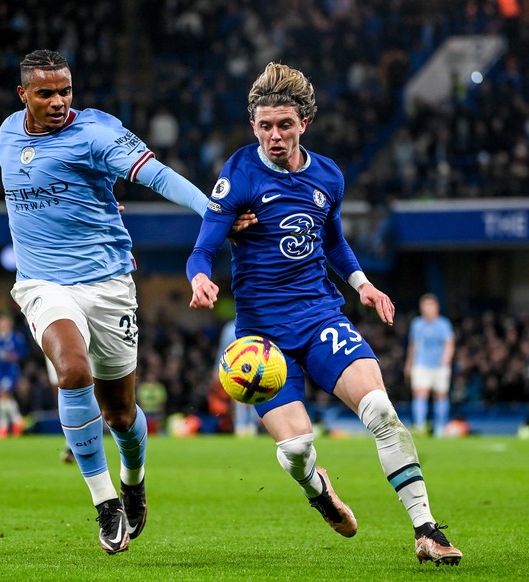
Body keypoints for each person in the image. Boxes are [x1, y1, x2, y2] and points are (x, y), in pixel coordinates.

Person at [186, 62, 462, 566]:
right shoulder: (239, 173)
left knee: (381, 411)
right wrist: (200, 278)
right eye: (265, 125)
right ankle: (317, 488)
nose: (274, 136)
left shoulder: (328, 175)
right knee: (294, 452)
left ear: (304, 123)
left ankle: (427, 530)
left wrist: (363, 285)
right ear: (253, 125)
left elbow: (331, 240)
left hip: (320, 317)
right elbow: (202, 247)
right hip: (262, 340)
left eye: (284, 124)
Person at [0, 50, 254, 554]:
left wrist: (215, 214)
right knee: (72, 371)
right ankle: (105, 502)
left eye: (65, 90)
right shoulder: (7, 132)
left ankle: (133, 481)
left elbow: (157, 176)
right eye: (45, 92)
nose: (57, 101)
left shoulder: (95, 133)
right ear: (22, 94)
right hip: (43, 284)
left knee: (121, 413)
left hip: (108, 283)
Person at [404, 293, 455, 437]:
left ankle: (440, 428)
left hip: (440, 365)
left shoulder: (444, 324)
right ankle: (420, 427)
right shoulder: (417, 324)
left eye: (430, 305)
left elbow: (449, 344)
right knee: (420, 394)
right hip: (421, 364)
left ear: (436, 307)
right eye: (425, 306)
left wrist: (447, 358)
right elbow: (413, 345)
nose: (428, 309)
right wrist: (409, 363)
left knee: (441, 395)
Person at [0, 314, 28, 436]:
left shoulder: (16, 338)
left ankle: (7, 425)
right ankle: (14, 423)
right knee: (2, 396)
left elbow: (24, 353)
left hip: (11, 370)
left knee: (4, 394)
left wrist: (14, 356)